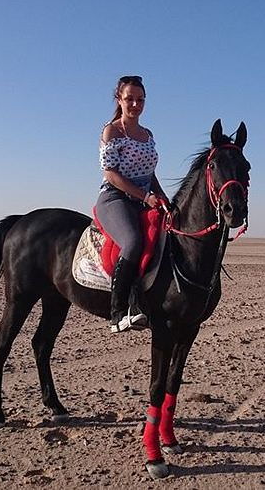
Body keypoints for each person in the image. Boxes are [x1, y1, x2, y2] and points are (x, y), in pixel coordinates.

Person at [96, 75, 167, 333]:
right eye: (130, 99)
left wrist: (162, 197)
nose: (135, 105)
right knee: (133, 241)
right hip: (115, 198)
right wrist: (144, 196)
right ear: (119, 100)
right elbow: (111, 174)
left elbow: (151, 173)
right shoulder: (112, 131)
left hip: (143, 199)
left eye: (140, 100)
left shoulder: (148, 134)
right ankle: (118, 312)